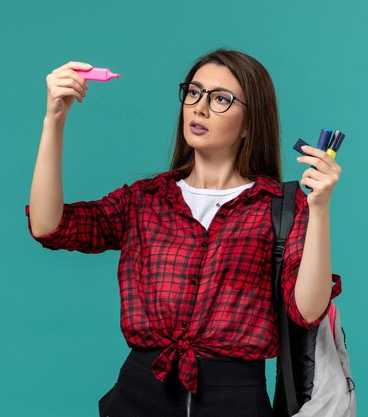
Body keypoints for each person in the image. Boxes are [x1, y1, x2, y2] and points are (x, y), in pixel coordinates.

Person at [25, 48, 343, 417]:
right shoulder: (145, 201)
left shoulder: (277, 208)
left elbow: (307, 311)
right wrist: (54, 121)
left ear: (249, 124)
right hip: (140, 395)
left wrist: (319, 207)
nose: (200, 107)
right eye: (194, 92)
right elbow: (50, 227)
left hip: (236, 402)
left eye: (221, 99)